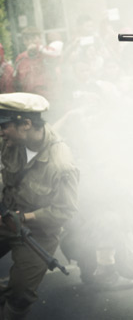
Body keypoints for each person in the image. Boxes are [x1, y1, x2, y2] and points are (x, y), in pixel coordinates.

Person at [0, 92, 79, 319]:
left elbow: (65, 211)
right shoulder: (11, 139)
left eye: (4, 126)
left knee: (20, 293)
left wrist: (24, 218)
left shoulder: (62, 164)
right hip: (6, 216)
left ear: (26, 124)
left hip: (38, 232)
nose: (1, 132)